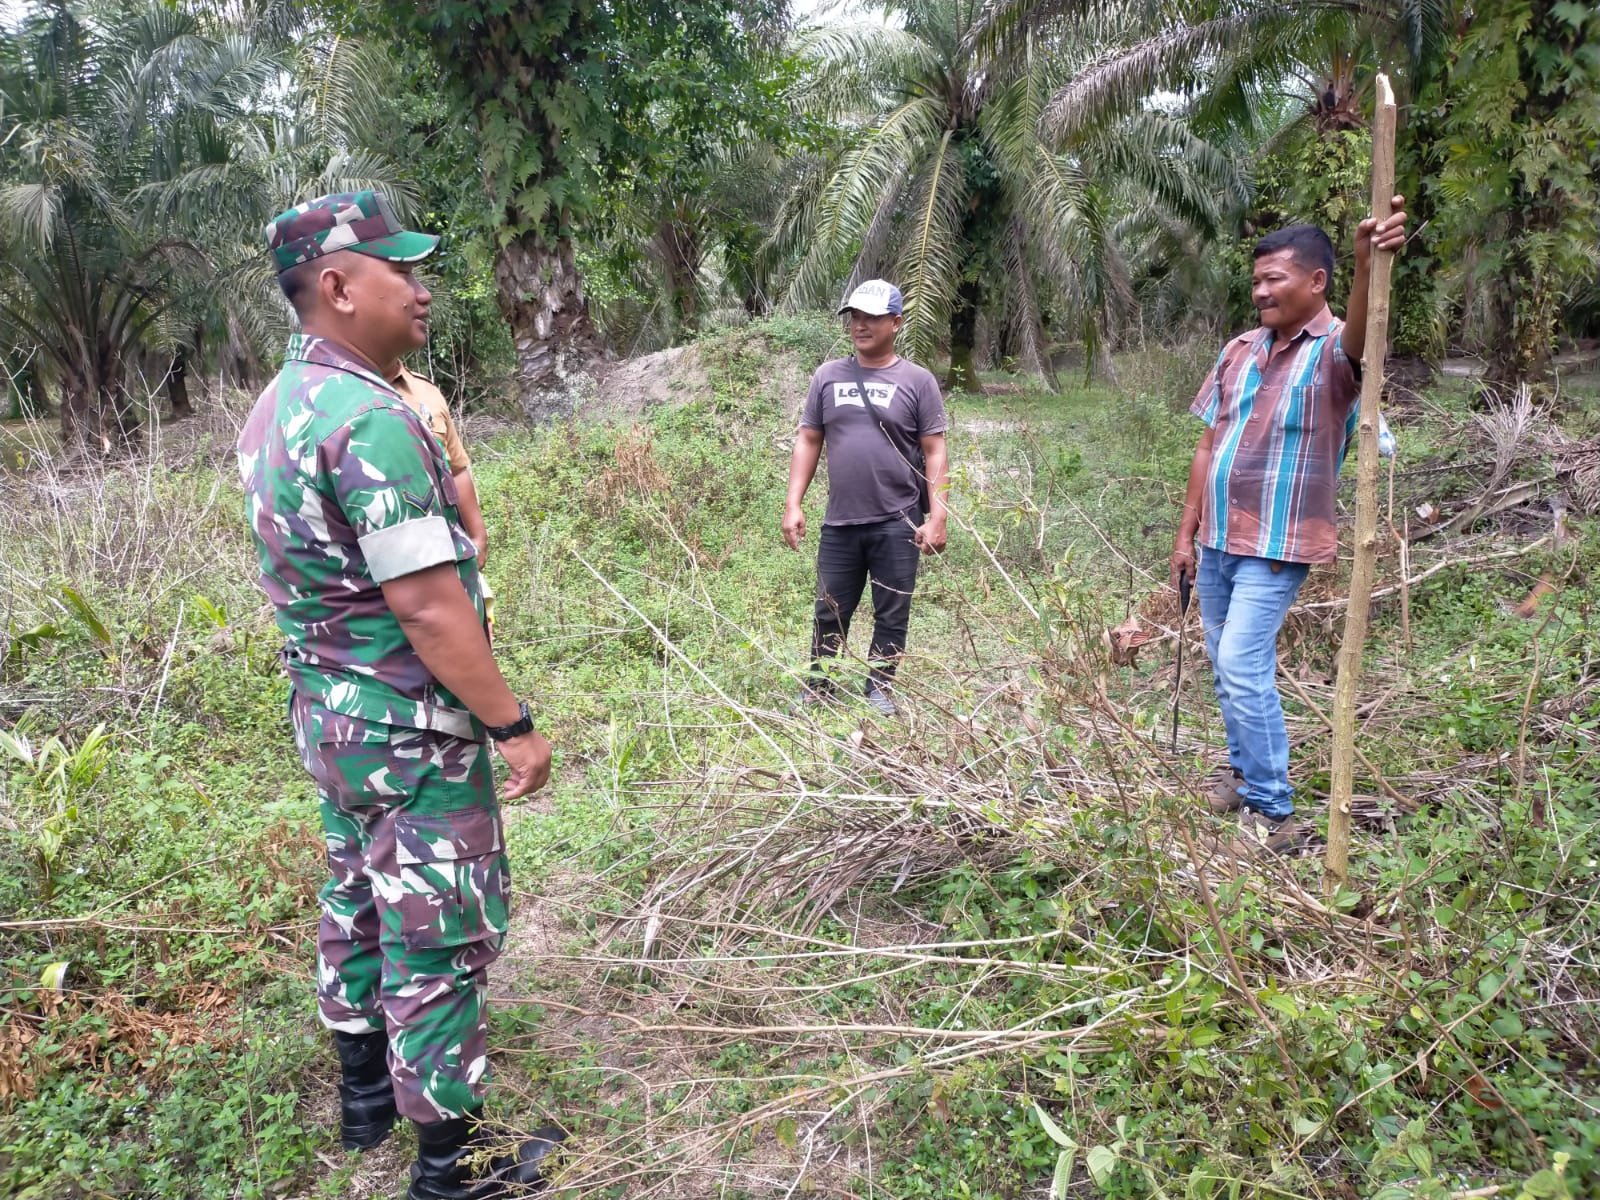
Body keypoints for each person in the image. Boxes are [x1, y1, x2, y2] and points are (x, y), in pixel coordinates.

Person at [236, 190, 563, 1199]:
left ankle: (364, 1095)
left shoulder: (276, 407)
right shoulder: (369, 418)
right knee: (438, 932)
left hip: (332, 722)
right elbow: (426, 603)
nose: (421, 291)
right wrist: (512, 723)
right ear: (336, 286)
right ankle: (448, 1167)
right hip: (407, 727)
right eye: (400, 272)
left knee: (359, 894)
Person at [1170, 199, 1408, 853]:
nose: (1261, 291)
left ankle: (1273, 813)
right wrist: (1184, 535)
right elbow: (1206, 444)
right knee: (1223, 665)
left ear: (1316, 282)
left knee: (1243, 664)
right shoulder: (1240, 349)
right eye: (1256, 282)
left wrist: (1366, 264)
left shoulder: (1336, 352)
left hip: (1276, 544)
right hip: (1216, 538)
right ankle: (1244, 773)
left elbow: (1365, 336)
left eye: (1275, 279)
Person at [783, 279, 950, 715]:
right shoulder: (827, 376)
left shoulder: (918, 381)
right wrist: (793, 503)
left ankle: (879, 687)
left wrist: (939, 518)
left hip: (899, 520)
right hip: (841, 520)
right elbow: (808, 440)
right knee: (829, 608)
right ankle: (819, 684)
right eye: (856, 317)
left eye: (872, 317)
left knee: (892, 609)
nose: (861, 325)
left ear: (896, 322)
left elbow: (935, 452)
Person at [389, 362, 489, 566]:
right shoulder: (338, 392)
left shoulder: (424, 390)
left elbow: (456, 469)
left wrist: (478, 538)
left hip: (449, 551)